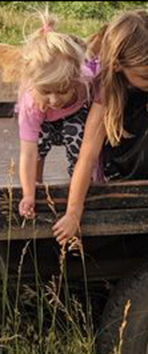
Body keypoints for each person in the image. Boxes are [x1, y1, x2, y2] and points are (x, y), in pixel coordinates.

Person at [52, 10, 148, 245]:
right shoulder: (106, 93)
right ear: (117, 66)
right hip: (126, 142)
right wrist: (73, 213)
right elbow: (87, 155)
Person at [17, 11, 98, 220]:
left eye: (62, 90)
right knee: (39, 145)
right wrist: (27, 194)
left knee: (78, 141)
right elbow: (28, 152)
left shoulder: (86, 81)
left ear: (75, 80)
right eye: (47, 92)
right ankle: (37, 183)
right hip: (43, 120)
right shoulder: (32, 103)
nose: (54, 100)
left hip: (74, 115)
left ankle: (79, 184)